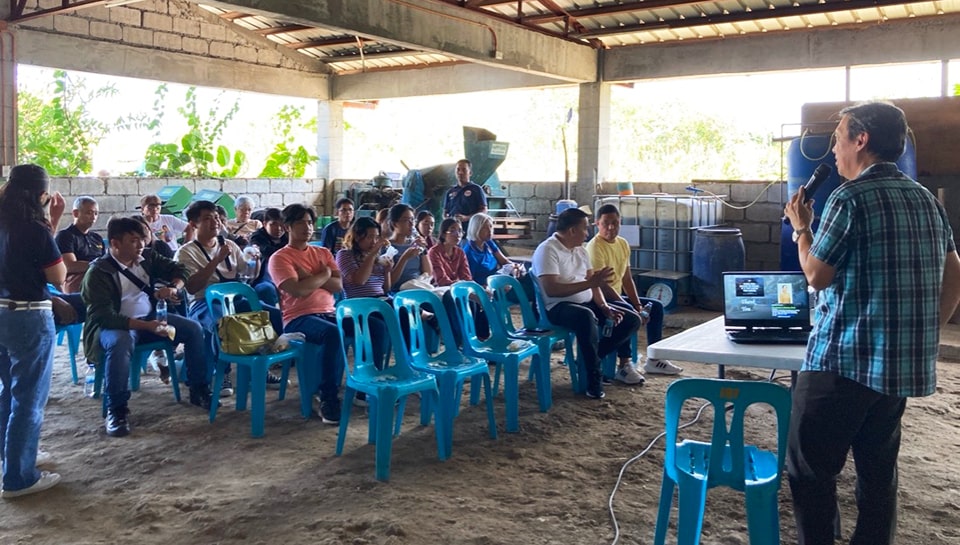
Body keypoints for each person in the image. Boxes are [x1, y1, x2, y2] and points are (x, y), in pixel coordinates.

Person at [783, 101, 960, 545]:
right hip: (895, 372)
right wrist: (925, 328)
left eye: (839, 139)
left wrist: (802, 228)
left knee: (810, 470)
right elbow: (954, 267)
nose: (834, 151)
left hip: (841, 365)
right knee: (878, 475)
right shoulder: (924, 199)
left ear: (861, 141)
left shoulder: (848, 197)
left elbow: (817, 275)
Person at [81, 217, 213, 437]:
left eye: (142, 239)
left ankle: (198, 388)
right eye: (133, 241)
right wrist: (147, 326)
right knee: (120, 343)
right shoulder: (98, 273)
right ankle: (117, 409)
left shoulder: (148, 258)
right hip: (118, 326)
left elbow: (180, 269)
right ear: (115, 243)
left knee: (193, 329)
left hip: (150, 318)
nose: (141, 244)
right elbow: (104, 317)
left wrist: (173, 288)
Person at [270, 204, 389, 424]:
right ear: (288, 227)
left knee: (376, 326)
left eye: (309, 222)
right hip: (299, 318)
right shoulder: (280, 258)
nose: (307, 227)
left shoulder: (322, 252)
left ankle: (367, 384)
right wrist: (323, 273)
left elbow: (337, 285)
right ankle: (327, 397)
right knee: (333, 334)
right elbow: (298, 290)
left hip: (330, 312)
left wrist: (311, 277)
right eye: (300, 223)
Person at [0, 164, 65, 499]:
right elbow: (57, 276)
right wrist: (52, 222)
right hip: (28, 317)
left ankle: (11, 459)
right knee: (29, 399)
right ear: (41, 194)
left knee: (9, 393)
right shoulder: (35, 229)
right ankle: (19, 477)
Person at [175, 200, 283, 398]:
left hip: (236, 300)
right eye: (207, 219)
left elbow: (246, 275)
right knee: (223, 324)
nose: (215, 222)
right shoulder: (186, 252)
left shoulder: (230, 245)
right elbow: (192, 286)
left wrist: (255, 261)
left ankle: (258, 367)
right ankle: (221, 372)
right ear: (193, 224)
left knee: (273, 316)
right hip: (203, 304)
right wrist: (216, 259)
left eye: (216, 217)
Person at [531, 208, 641, 400]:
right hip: (558, 307)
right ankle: (593, 378)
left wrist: (605, 306)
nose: (587, 233)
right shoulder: (548, 249)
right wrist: (590, 284)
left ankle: (593, 359)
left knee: (631, 318)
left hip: (586, 302)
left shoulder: (580, 250)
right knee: (585, 316)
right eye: (584, 228)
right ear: (572, 230)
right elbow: (552, 289)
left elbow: (594, 283)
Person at [585, 203, 683, 384]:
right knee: (626, 313)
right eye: (605, 223)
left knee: (657, 307)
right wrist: (631, 308)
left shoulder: (622, 244)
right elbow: (602, 286)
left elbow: (627, 279)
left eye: (615, 223)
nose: (610, 227)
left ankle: (655, 358)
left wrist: (637, 305)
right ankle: (624, 365)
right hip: (602, 298)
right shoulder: (594, 247)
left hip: (617, 295)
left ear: (620, 222)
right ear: (597, 224)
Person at [428, 217, 488, 341]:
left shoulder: (460, 253)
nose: (458, 235)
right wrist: (462, 285)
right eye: (453, 231)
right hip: (440, 291)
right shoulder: (434, 252)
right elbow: (441, 280)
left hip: (457, 289)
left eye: (460, 231)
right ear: (444, 233)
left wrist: (472, 287)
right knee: (460, 298)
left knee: (474, 302)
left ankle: (477, 339)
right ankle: (459, 340)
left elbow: (467, 277)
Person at [55, 196, 104, 294]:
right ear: (76, 213)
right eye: (89, 213)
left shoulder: (97, 238)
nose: (93, 217)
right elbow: (69, 266)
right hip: (77, 282)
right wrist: (98, 265)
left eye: (96, 213)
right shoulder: (66, 236)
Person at [336, 217, 392, 299]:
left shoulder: (376, 258)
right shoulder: (344, 254)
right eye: (370, 237)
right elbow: (360, 280)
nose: (374, 242)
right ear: (357, 237)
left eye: (376, 237)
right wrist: (372, 255)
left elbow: (386, 289)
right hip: (360, 303)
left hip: (380, 299)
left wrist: (387, 272)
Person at [462, 213, 522, 288]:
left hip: (499, 280)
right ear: (476, 229)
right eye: (485, 228)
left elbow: (504, 261)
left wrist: (514, 266)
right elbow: (470, 281)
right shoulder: (469, 253)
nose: (490, 230)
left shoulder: (488, 242)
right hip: (487, 288)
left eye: (490, 227)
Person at [386, 203, 432, 293]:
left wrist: (423, 250)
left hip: (419, 286)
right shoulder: (387, 247)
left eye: (412, 220)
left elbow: (428, 272)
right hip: (400, 291)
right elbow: (390, 282)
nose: (411, 224)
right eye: (406, 220)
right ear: (395, 223)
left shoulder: (415, 244)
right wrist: (405, 257)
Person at [248, 207, 287, 306]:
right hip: (264, 278)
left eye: (281, 224)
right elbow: (266, 251)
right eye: (273, 224)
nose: (278, 228)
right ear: (265, 224)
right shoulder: (257, 237)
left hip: (287, 275)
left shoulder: (288, 236)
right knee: (265, 289)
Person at [443, 159, 487, 229]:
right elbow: (445, 212)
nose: (460, 172)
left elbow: (483, 210)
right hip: (454, 231)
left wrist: (467, 218)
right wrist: (448, 220)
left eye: (464, 170)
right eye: (458, 170)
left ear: (470, 173)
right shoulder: (450, 192)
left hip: (471, 229)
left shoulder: (476, 189)